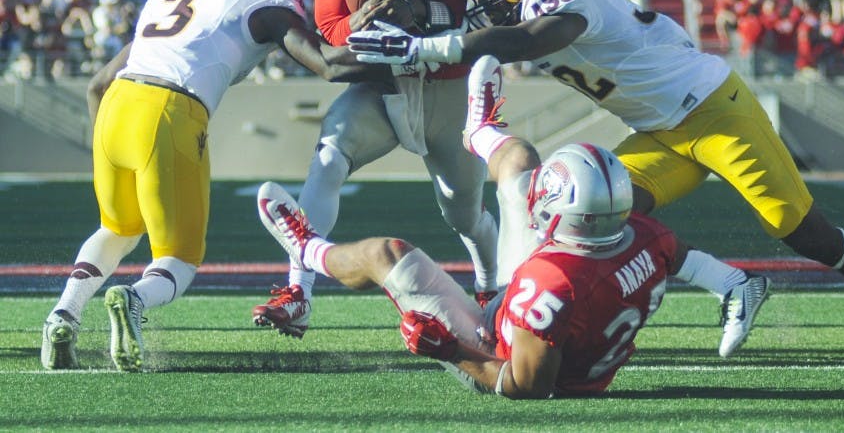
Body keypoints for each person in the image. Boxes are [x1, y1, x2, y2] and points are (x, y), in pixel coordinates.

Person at [348, 0, 844, 366]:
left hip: (716, 112)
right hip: (662, 131)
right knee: (585, 216)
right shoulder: (520, 13)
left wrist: (433, 45)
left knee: (806, 233)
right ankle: (733, 284)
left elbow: (532, 40)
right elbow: (499, 43)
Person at [40, 0, 388, 372]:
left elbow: (98, 83)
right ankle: (134, 298)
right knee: (180, 259)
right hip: (170, 111)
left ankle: (63, 313)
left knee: (118, 229)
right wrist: (397, 52)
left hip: (115, 109)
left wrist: (109, 149)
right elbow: (325, 63)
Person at [256, 56, 682, 397]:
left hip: (492, 356)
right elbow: (682, 258)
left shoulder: (554, 284)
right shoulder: (642, 236)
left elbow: (526, 386)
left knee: (386, 255)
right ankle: (480, 131)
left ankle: (308, 248)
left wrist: (450, 349)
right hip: (542, 306)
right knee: (519, 165)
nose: (540, 207)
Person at [251, 0, 499, 339]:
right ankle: (298, 291)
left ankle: (492, 287)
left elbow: (463, 10)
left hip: (443, 80)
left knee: (464, 212)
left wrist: (410, 9)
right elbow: (334, 32)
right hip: (381, 86)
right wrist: (373, 8)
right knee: (328, 156)